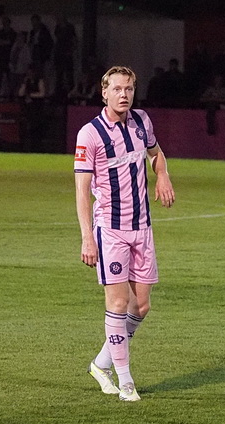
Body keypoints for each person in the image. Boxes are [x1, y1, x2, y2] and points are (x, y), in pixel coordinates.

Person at [74, 66, 176, 402]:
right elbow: (82, 190)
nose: (124, 95)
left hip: (142, 228)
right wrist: (87, 237)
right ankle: (126, 380)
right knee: (117, 304)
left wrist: (162, 176)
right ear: (103, 93)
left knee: (141, 306)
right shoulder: (89, 135)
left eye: (129, 89)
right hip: (111, 230)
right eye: (117, 89)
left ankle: (101, 363)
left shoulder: (142, 122)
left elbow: (156, 154)